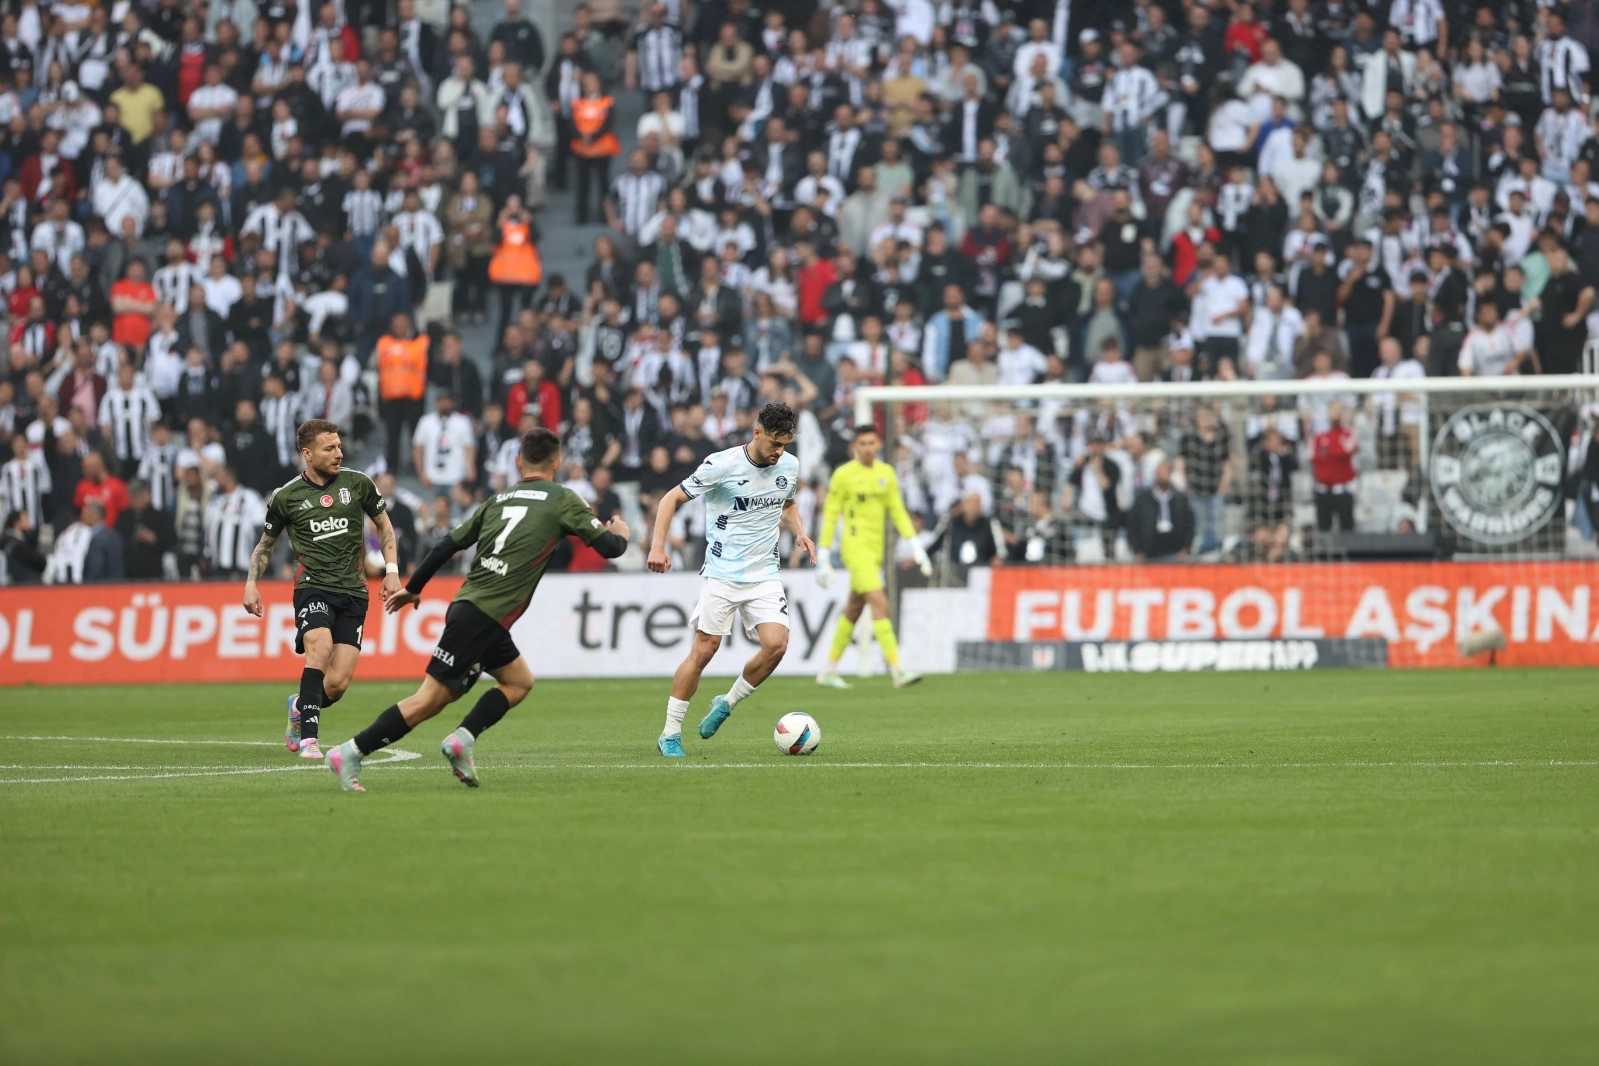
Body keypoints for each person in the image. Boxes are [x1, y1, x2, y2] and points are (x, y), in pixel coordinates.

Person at [326, 428, 631, 792]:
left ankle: (463, 740)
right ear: (557, 463)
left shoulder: (497, 500)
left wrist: (414, 588)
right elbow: (611, 548)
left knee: (518, 681)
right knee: (428, 701)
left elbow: (447, 544)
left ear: (518, 462)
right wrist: (621, 532)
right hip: (483, 618)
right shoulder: (563, 499)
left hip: (474, 609)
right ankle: (350, 752)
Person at [646, 402, 815, 757]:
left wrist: (799, 532)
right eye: (775, 443)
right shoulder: (721, 465)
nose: (779, 452)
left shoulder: (789, 465)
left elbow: (787, 503)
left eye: (785, 445)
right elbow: (670, 499)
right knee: (704, 650)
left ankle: (727, 702)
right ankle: (670, 733)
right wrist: (658, 545)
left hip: (764, 573)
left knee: (777, 646)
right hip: (722, 574)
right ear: (757, 433)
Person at [243, 419, 402, 762]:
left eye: (339, 446)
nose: (338, 453)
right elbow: (266, 544)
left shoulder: (358, 484)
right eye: (329, 448)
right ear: (308, 453)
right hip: (312, 588)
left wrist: (392, 572)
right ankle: (309, 741)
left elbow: (384, 526)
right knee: (319, 648)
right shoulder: (286, 497)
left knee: (338, 683)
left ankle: (299, 706)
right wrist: (251, 582)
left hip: (353, 591)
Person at [814, 424, 933, 690]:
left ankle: (828, 670)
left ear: (879, 445)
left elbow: (898, 511)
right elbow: (830, 514)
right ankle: (898, 670)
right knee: (880, 601)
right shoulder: (843, 475)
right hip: (854, 548)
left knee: (854, 608)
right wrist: (823, 555)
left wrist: (916, 545)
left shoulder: (886, 474)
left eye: (872, 443)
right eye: (863, 443)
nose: (868, 448)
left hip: (876, 551)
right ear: (855, 446)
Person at [1127, 461, 1196, 562]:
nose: (1162, 476)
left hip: (1174, 549)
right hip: (1149, 550)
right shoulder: (1143, 499)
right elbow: (1132, 524)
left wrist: (1186, 547)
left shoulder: (1181, 499)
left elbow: (1189, 524)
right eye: (1159, 472)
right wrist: (1137, 549)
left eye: (1165, 472)